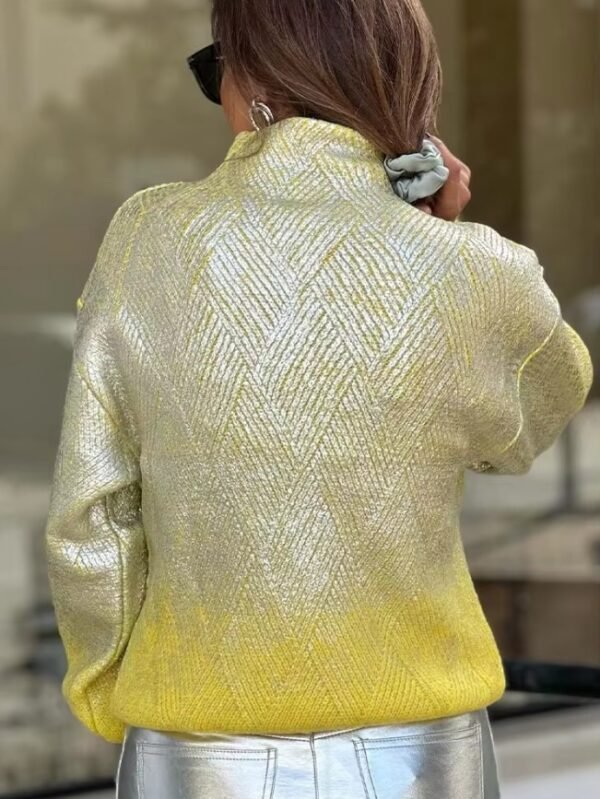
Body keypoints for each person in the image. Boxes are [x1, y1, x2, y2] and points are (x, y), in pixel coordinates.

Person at [44, 1, 594, 797]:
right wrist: (441, 236)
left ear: (260, 77)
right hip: (423, 752)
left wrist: (109, 692)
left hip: (201, 748)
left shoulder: (149, 239)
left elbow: (91, 516)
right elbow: (529, 420)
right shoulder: (474, 269)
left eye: (217, 68)